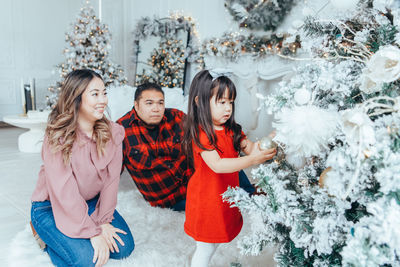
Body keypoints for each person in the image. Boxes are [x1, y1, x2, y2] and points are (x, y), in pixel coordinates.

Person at [30, 69, 134, 267]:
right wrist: (92, 233)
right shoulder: (57, 137)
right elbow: (65, 192)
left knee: (123, 248)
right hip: (50, 207)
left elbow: (112, 182)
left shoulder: (114, 132)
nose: (103, 100)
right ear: (76, 98)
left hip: (91, 202)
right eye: (95, 94)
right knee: (86, 260)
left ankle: (69, 236)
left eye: (104, 93)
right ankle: (44, 235)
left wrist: (103, 222)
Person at [182, 70, 276, 267]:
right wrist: (252, 160)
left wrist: (271, 139)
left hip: (225, 197)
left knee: (215, 241)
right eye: (221, 102)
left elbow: (251, 149)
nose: (228, 108)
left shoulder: (232, 129)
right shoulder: (201, 134)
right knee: (205, 247)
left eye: (230, 102)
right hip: (206, 200)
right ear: (200, 102)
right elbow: (218, 165)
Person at [117, 83, 257, 212]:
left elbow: (207, 133)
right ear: (136, 105)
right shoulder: (120, 131)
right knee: (219, 204)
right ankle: (243, 199)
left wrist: (238, 141)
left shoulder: (175, 116)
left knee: (224, 157)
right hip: (171, 199)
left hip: (196, 180)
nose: (156, 108)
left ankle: (253, 195)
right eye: (149, 103)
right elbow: (111, 173)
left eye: (160, 103)